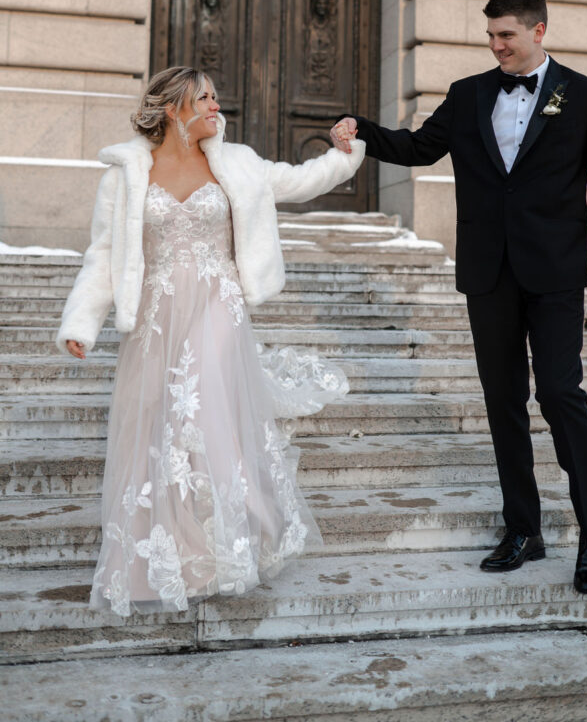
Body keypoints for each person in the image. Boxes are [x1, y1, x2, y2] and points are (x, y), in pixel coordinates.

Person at [331, 0, 587, 595]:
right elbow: (420, 148)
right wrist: (361, 129)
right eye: (491, 37)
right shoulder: (469, 93)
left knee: (559, 393)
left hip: (554, 271)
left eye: (506, 35)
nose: (497, 46)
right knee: (503, 402)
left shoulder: (581, 95)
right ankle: (523, 529)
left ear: (538, 31)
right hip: (488, 270)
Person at [57, 66, 364, 617]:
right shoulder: (126, 172)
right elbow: (104, 254)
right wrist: (82, 322)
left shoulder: (236, 163)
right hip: (155, 313)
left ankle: (238, 534)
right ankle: (183, 553)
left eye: (216, 97)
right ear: (175, 107)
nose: (216, 106)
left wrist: (344, 154)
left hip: (217, 304)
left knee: (206, 409)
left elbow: (299, 180)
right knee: (158, 421)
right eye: (205, 98)